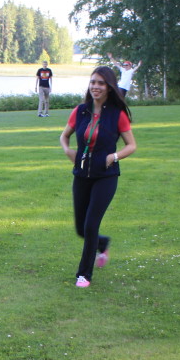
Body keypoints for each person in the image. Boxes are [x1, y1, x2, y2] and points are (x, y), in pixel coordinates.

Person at [59, 66, 137, 288]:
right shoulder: (80, 111)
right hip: (82, 173)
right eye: (93, 82)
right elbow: (64, 136)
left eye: (101, 83)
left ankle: (84, 274)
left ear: (109, 87)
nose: (96, 86)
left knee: (91, 225)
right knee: (80, 228)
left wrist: (114, 156)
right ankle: (103, 244)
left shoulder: (117, 115)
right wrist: (67, 150)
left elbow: (131, 145)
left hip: (106, 175)